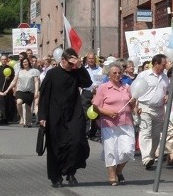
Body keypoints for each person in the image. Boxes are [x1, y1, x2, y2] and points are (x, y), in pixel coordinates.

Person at [38, 48, 92, 187]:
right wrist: (42, 116)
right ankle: (56, 177)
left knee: (76, 142)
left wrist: (79, 67)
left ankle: (70, 172)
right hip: (55, 114)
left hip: (74, 112)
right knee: (56, 146)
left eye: (74, 63)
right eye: (70, 63)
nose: (71, 65)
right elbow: (44, 96)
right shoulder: (52, 74)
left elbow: (87, 83)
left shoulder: (75, 72)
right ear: (62, 60)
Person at [92, 62, 135, 185]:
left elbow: (131, 106)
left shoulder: (126, 87)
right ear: (109, 75)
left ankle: (118, 170)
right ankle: (111, 176)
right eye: (114, 73)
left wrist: (134, 103)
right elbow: (95, 107)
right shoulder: (103, 88)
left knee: (128, 150)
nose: (117, 75)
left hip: (126, 122)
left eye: (119, 73)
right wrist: (108, 112)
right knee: (111, 150)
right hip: (109, 124)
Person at [136, 53, 170, 170]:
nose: (165, 67)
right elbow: (135, 90)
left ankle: (150, 156)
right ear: (156, 64)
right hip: (145, 107)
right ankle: (146, 157)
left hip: (159, 109)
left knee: (156, 135)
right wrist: (135, 106)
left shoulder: (165, 77)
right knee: (145, 132)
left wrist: (167, 95)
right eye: (163, 64)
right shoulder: (144, 75)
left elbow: (168, 91)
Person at [14, 56, 40, 127]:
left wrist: (36, 91)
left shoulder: (33, 71)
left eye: (26, 62)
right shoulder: (20, 71)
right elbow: (15, 81)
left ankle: (28, 121)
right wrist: (10, 89)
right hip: (20, 90)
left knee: (28, 108)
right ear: (22, 63)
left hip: (29, 91)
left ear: (29, 62)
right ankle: (22, 117)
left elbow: (36, 82)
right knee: (19, 102)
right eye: (24, 62)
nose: (25, 63)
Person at [0, 54, 17, 125]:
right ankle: (2, 118)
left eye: (5, 59)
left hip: (8, 89)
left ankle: (7, 118)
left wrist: (9, 78)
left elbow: (13, 80)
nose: (4, 61)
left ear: (7, 60)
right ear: (0, 60)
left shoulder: (10, 69)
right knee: (1, 104)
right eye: (2, 59)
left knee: (8, 104)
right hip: (0, 89)